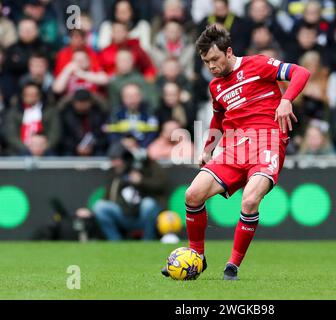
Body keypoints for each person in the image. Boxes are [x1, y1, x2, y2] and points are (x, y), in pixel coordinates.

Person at [161, 25, 310, 280]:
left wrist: (286, 100)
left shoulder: (258, 65)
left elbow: (301, 72)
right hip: (234, 147)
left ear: (229, 52)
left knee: (250, 200)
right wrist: (208, 149)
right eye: (206, 62)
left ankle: (233, 265)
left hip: (268, 141)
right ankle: (197, 258)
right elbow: (218, 119)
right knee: (192, 195)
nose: (211, 66)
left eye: (215, 59)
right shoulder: (216, 87)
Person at [88, 141, 168, 240]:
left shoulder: (149, 165)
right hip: (123, 214)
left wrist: (141, 181)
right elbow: (108, 196)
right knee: (100, 206)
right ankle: (116, 242)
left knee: (148, 204)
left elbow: (161, 185)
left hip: (144, 215)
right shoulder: (116, 172)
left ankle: (148, 240)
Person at [59, 89, 109, 156]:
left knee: (101, 154)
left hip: (95, 147)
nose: (82, 106)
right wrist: (76, 147)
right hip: (72, 148)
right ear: (74, 103)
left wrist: (92, 147)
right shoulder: (66, 115)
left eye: (84, 103)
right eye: (79, 103)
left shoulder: (99, 114)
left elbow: (103, 135)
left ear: (90, 102)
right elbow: (62, 137)